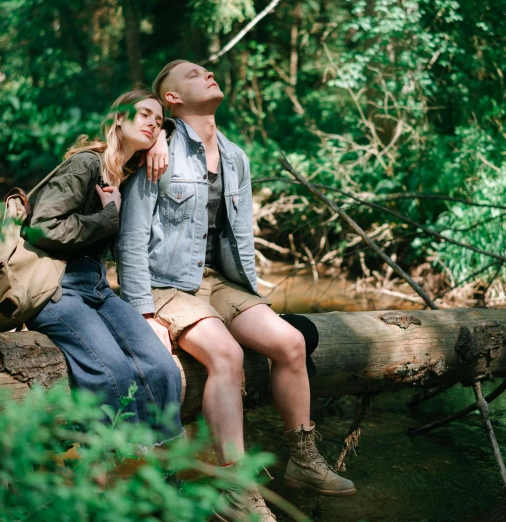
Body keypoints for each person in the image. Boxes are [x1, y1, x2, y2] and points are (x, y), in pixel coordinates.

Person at [116, 61, 355, 521]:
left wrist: (250, 294)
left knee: (290, 341)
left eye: (206, 70)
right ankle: (236, 488)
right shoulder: (155, 147)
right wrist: (142, 311)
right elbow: (130, 237)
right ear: (171, 99)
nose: (207, 73)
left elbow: (238, 236)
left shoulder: (235, 156)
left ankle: (303, 460)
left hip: (218, 281)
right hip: (166, 281)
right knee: (226, 354)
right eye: (191, 73)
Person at [25, 88, 183, 443]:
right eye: (145, 116)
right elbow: (41, 228)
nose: (153, 125)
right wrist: (107, 216)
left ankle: (169, 469)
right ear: (119, 117)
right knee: (115, 373)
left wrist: (162, 139)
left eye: (159, 123)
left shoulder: (129, 171)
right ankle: (122, 470)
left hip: (97, 286)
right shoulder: (85, 164)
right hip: (55, 286)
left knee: (162, 368)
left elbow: (183, 131)